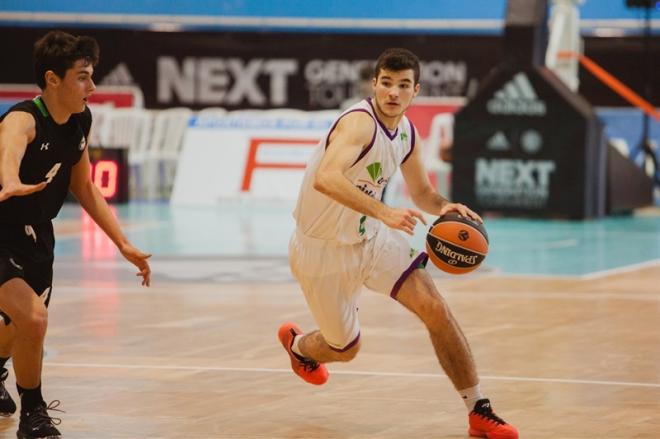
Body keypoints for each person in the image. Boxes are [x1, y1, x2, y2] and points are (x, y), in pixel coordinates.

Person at [278, 48, 518, 439]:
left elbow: (422, 193)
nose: (393, 92)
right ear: (374, 84)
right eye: (386, 83)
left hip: (371, 239)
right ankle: (300, 346)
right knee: (345, 349)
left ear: (415, 91)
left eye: (403, 85)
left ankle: (479, 409)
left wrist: (445, 207)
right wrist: (384, 212)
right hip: (321, 250)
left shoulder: (406, 133)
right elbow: (327, 178)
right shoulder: (358, 124)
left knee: (435, 309)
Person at [0, 30, 151, 439]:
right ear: (53, 79)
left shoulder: (80, 120)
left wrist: (123, 244)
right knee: (34, 318)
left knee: (17, 326)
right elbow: (9, 146)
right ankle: (34, 415)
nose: (93, 86)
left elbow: (83, 186)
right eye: (83, 76)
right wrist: (9, 178)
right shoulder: (23, 118)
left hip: (37, 236)